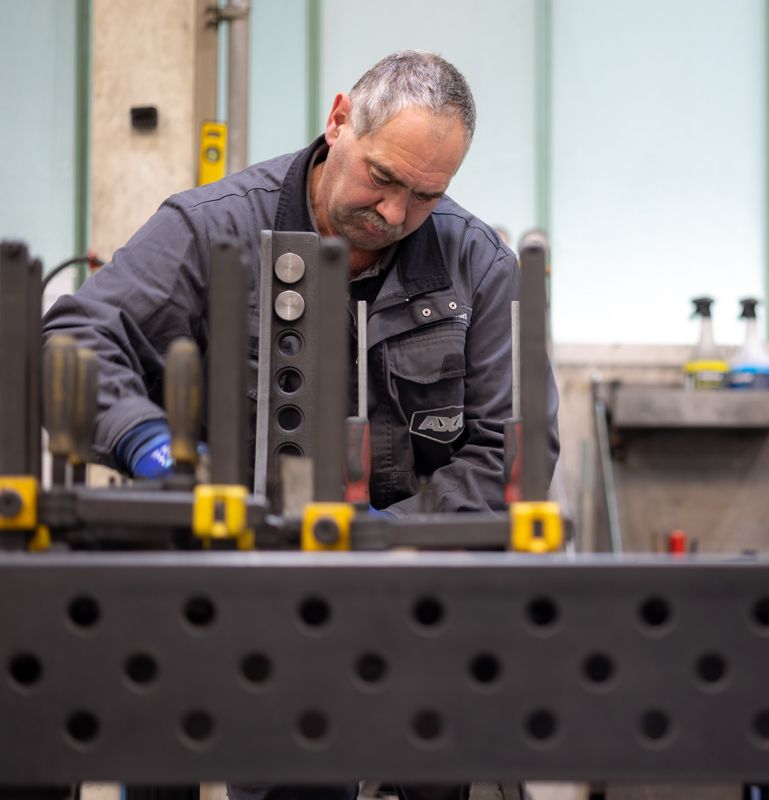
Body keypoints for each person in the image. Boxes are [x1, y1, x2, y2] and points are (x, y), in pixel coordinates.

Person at [43, 51, 555, 799]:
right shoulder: (210, 230)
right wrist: (152, 448)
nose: (392, 215)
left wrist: (385, 545)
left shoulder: (476, 264)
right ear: (339, 118)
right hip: (217, 591)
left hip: (405, 601)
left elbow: (509, 446)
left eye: (424, 196)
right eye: (382, 178)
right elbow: (73, 341)